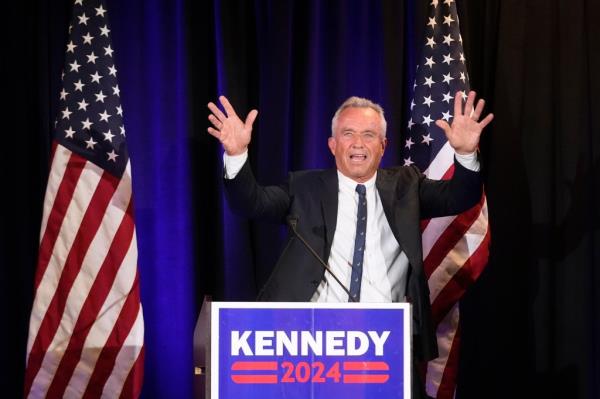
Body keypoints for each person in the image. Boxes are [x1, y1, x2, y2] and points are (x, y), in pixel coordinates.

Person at [207, 92, 493, 397]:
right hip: (313, 342)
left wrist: (464, 155)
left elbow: (460, 196)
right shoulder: (304, 187)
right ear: (333, 145)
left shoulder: (406, 186)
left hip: (386, 340)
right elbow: (251, 203)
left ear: (383, 146)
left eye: (369, 134)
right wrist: (237, 155)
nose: (358, 143)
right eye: (348, 134)